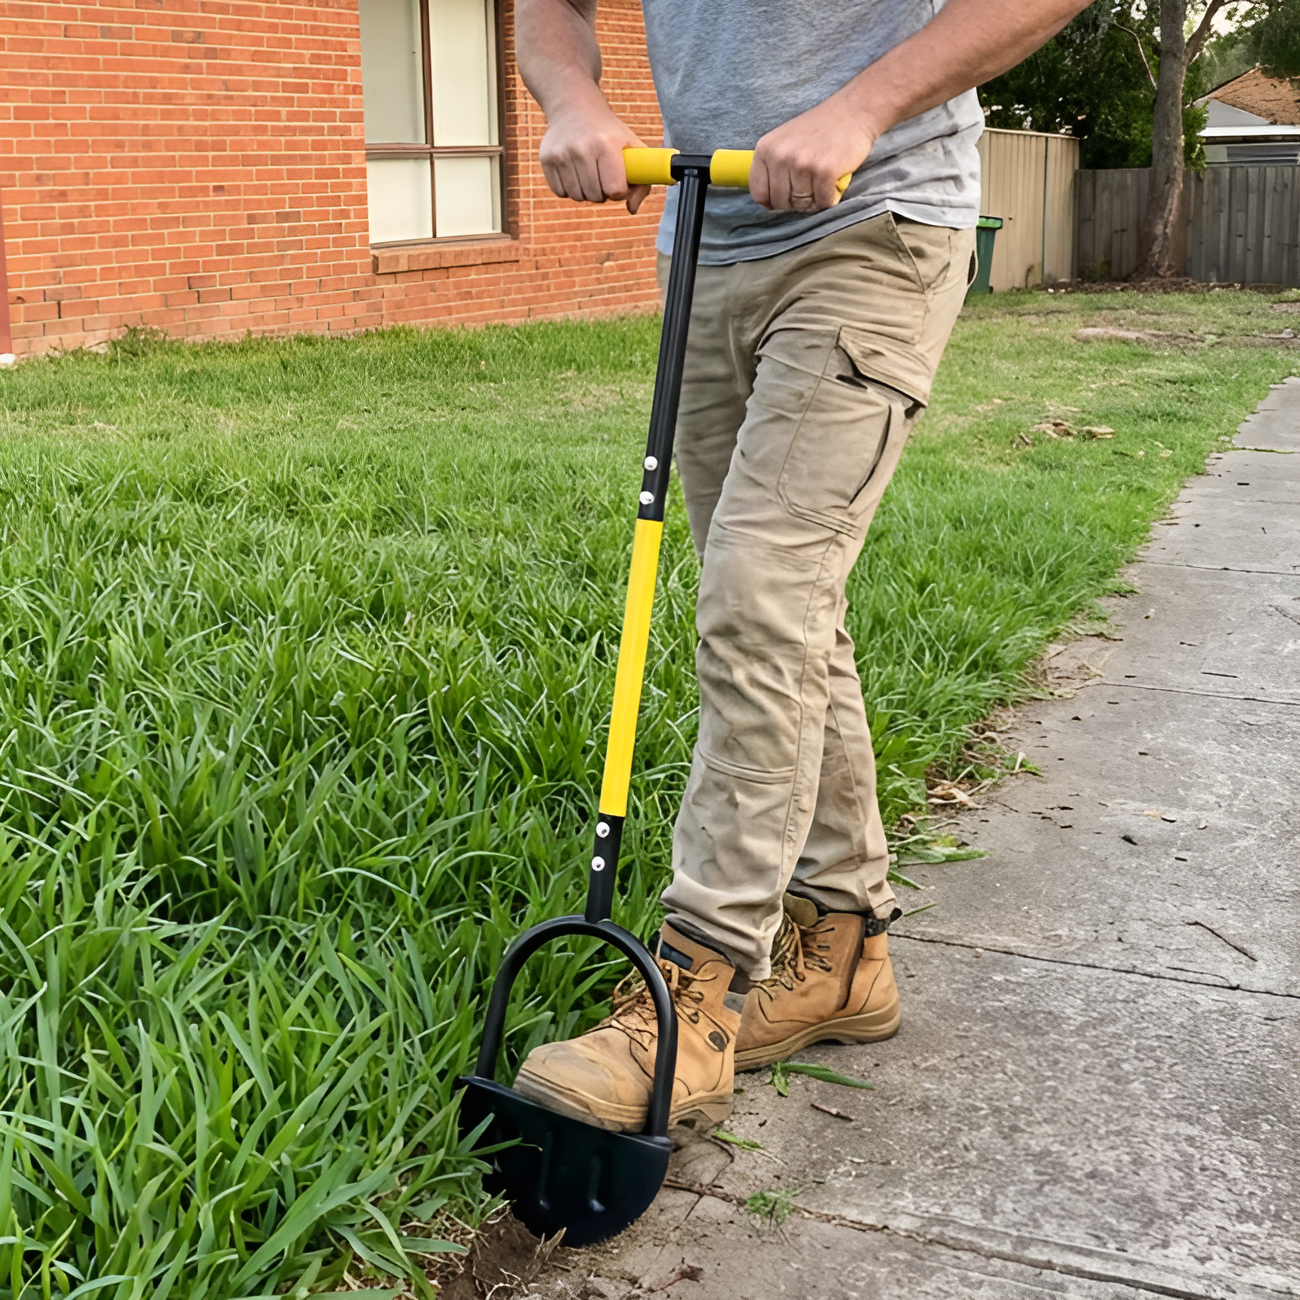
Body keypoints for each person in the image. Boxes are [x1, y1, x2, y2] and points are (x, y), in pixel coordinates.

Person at [511, 0, 1090, 1134]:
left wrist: (862, 107)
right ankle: (842, 954)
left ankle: (699, 985)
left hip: (871, 222)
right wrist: (572, 96)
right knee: (789, 613)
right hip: (706, 238)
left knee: (760, 593)